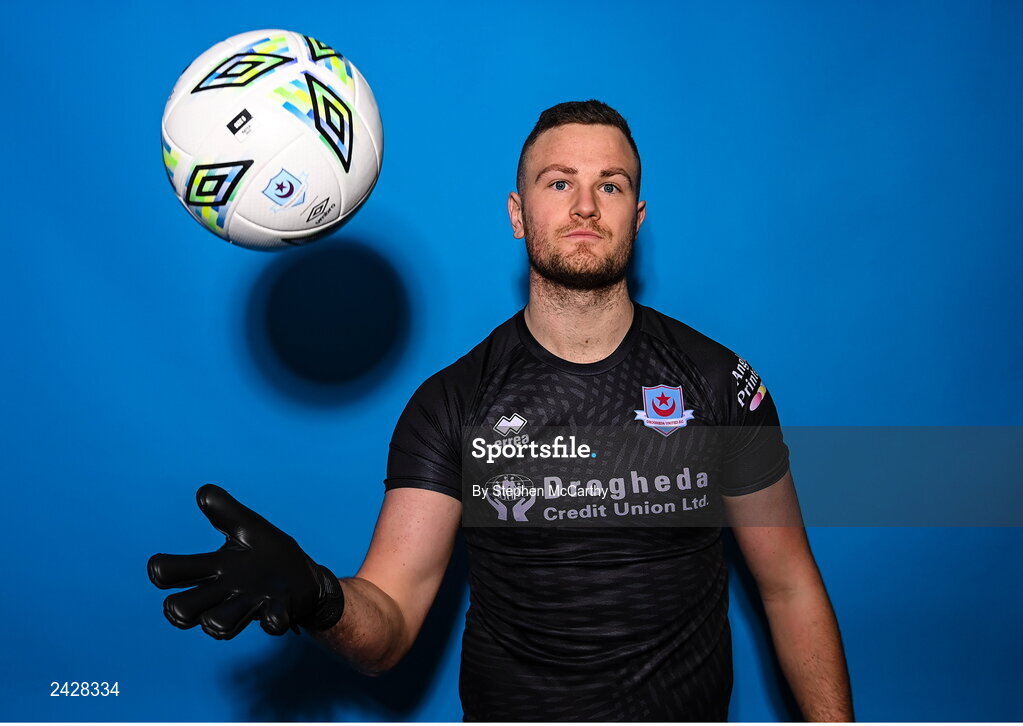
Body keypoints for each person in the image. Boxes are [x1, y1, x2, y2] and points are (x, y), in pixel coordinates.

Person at [149, 100, 854, 721]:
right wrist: (316, 594)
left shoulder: (719, 382)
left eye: (610, 185)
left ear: (636, 219)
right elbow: (389, 620)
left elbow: (789, 587)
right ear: (518, 215)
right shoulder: (454, 404)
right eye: (559, 183)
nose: (586, 206)